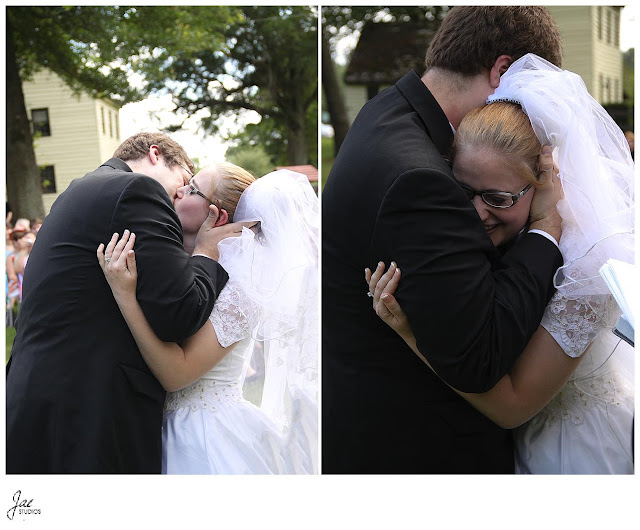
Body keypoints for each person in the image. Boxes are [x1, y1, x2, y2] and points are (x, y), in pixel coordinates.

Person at [322, 6, 565, 473]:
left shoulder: (384, 113)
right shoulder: (420, 176)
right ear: (502, 70)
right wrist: (545, 230)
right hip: (418, 450)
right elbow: (479, 358)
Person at [368, 54, 634, 474]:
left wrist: (410, 334)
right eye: (463, 192)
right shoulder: (483, 236)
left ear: (544, 182)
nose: (476, 214)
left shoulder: (587, 265)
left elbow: (511, 406)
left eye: (497, 198)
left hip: (577, 451)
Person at [6, 133, 247, 473]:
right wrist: (206, 253)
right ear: (155, 154)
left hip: (41, 399)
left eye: (191, 189)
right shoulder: (137, 190)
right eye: (183, 179)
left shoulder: (78, 191)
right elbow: (181, 313)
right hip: (88, 412)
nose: (179, 192)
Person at [98, 168, 318, 474]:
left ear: (216, 216)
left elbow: (177, 374)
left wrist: (125, 295)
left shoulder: (243, 288)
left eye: (192, 189)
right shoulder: (180, 266)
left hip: (206, 438)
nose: (179, 191)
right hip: (157, 431)